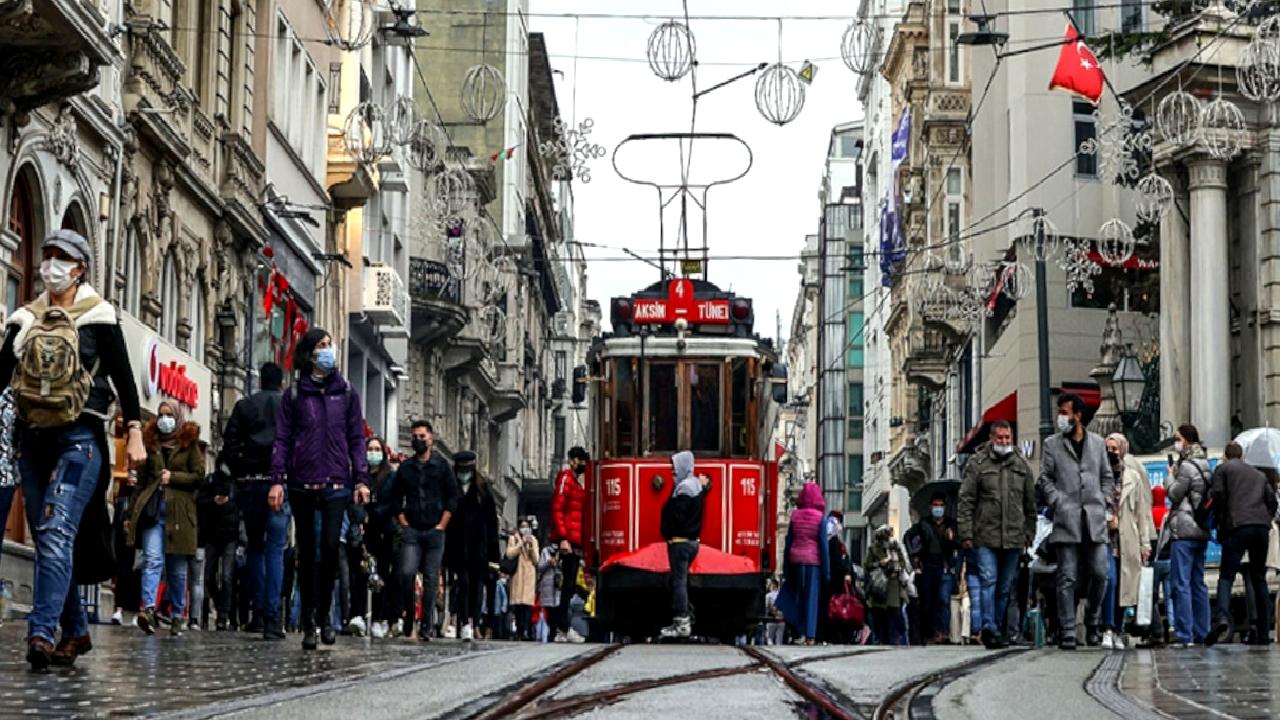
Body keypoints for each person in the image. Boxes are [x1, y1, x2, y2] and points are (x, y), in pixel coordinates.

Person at [0, 230, 146, 670]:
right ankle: (76, 631)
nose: (50, 265)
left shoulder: (99, 315)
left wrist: (135, 430)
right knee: (49, 538)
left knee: (55, 530)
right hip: (33, 440)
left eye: (61, 258)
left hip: (81, 439)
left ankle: (41, 634)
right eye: (46, 257)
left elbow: (123, 376)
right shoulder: (26, 318)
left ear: (80, 267)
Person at [271, 328, 371, 650]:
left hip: (337, 483)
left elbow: (357, 439)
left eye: (330, 345)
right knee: (307, 552)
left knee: (330, 549)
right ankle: (310, 622)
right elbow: (283, 439)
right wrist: (277, 480)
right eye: (322, 346)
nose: (329, 351)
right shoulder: (295, 395)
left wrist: (362, 480)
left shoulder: (347, 394)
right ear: (310, 353)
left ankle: (326, 614)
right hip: (302, 482)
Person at [1037, 393, 1115, 650]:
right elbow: (1045, 478)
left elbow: (1106, 476)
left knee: (1101, 573)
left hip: (1094, 517)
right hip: (1066, 518)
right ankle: (1068, 629)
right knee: (1067, 576)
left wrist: (1104, 500)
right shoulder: (1052, 444)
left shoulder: (1097, 443)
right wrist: (1057, 501)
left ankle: (1092, 621)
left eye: (1065, 412)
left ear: (1078, 415)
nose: (1061, 417)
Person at [126, 400, 204, 637]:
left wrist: (175, 477)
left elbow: (199, 477)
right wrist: (131, 514)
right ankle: (148, 609)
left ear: (178, 417)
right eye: (161, 415)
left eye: (169, 415)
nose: (164, 419)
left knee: (177, 569)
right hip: (154, 511)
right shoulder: (150, 442)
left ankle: (178, 615)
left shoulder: (189, 443)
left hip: (180, 514)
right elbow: (140, 481)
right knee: (152, 560)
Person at [222, 362, 289, 640]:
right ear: (281, 382)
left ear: (260, 380)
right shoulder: (288, 407)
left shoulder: (245, 406)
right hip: (278, 483)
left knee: (255, 548)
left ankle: (257, 613)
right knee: (276, 547)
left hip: (250, 482)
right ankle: (273, 617)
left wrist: (241, 473)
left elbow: (229, 446)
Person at [958, 419, 1037, 649]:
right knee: (988, 580)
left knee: (1004, 587)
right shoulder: (978, 464)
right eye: (1001, 438)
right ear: (992, 438)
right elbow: (966, 500)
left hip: (1013, 537)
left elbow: (1030, 503)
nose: (1005, 442)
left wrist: (1029, 532)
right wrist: (966, 533)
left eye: (1008, 438)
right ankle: (989, 628)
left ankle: (999, 628)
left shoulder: (1021, 466)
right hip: (985, 536)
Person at [384, 420, 457, 641]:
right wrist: (403, 522)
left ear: (431, 438)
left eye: (422, 436)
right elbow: (395, 498)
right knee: (406, 573)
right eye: (415, 437)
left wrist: (442, 525)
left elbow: (452, 498)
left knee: (431, 579)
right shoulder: (406, 468)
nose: (418, 440)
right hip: (412, 530)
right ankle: (408, 619)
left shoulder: (442, 466)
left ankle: (426, 625)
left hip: (435, 530)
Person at [1206, 442, 1278, 646]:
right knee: (1259, 577)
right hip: (1260, 528)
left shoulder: (1223, 469)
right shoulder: (1258, 474)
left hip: (1237, 526)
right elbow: (1272, 501)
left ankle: (1221, 618)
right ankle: (1264, 631)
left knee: (1226, 576)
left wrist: (1221, 525)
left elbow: (1218, 497)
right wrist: (1265, 519)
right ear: (1243, 455)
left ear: (1225, 456)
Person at [1104, 433, 1156, 650]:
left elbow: (1142, 513)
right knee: (1111, 581)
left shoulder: (1133, 476)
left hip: (1128, 538)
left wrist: (1145, 544)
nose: (1111, 452)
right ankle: (1107, 628)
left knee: (1126, 588)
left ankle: (1117, 628)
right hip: (1106, 538)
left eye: (1115, 448)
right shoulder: (1100, 475)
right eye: (1108, 448)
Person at [1164, 424, 1211, 648]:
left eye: (1178, 438)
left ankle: (1185, 634)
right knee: (1198, 583)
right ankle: (1202, 631)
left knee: (1180, 583)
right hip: (1201, 529)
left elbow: (1174, 494)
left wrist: (1169, 477)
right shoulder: (1205, 464)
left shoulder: (1186, 467)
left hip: (1183, 530)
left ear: (1186, 441)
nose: (1176, 442)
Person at [445, 451, 499, 641]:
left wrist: (494, 556)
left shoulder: (482, 490)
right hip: (457, 546)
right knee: (463, 583)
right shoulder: (451, 487)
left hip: (478, 547)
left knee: (477, 586)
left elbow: (492, 523)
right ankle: (463, 621)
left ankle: (474, 621)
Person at [659, 451, 713, 639]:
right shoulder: (696, 486)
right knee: (676, 580)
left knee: (678, 581)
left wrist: (669, 529)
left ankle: (681, 621)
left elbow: (677, 515)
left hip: (680, 542)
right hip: (690, 541)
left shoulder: (684, 489)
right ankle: (685, 616)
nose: (673, 473)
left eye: (675, 469)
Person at [776, 482, 829, 644]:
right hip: (813, 562)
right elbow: (823, 545)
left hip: (796, 559)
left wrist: (785, 567)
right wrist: (826, 571)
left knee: (798, 596)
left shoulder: (795, 516)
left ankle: (798, 631)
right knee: (811, 598)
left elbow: (789, 540)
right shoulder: (820, 519)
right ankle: (810, 635)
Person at [905, 494, 959, 645]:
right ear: (930, 507)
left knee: (943, 599)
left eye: (941, 505)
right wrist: (915, 557)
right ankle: (930, 633)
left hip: (944, 567)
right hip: (928, 567)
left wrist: (952, 539)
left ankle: (943, 632)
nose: (938, 508)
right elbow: (908, 537)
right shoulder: (923, 524)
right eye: (935, 505)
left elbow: (958, 544)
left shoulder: (951, 524)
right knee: (928, 601)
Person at [196, 456, 241, 630]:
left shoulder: (236, 482)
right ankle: (219, 603)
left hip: (230, 535)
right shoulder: (211, 480)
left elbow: (241, 506)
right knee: (208, 576)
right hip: (212, 534)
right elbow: (200, 502)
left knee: (228, 577)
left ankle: (223, 615)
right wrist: (213, 502)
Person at [549, 446, 589, 643]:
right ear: (573, 460)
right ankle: (562, 627)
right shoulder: (566, 479)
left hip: (574, 540)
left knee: (570, 584)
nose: (582, 464)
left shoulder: (575, 483)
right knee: (568, 585)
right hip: (569, 541)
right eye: (580, 460)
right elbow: (558, 508)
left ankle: (562, 627)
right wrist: (563, 538)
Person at [363, 436, 397, 639]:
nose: (373, 453)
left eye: (377, 449)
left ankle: (379, 617)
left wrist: (375, 512)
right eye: (370, 449)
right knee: (362, 572)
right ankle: (358, 615)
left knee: (382, 575)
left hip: (384, 530)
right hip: (365, 529)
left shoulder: (390, 476)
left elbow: (392, 502)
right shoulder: (360, 475)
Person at [865, 524, 906, 645]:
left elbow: (903, 563)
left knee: (894, 612)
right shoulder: (873, 548)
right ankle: (881, 638)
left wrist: (895, 566)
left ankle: (893, 638)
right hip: (880, 584)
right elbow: (867, 565)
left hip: (893, 583)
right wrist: (879, 564)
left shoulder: (896, 548)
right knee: (880, 614)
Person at [506, 519, 539, 640]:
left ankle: (525, 630)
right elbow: (509, 554)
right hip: (518, 575)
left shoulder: (533, 540)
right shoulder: (513, 538)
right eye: (522, 527)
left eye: (526, 527)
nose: (524, 529)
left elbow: (536, 559)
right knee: (518, 605)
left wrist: (529, 546)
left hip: (529, 575)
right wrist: (521, 544)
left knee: (527, 606)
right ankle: (519, 630)